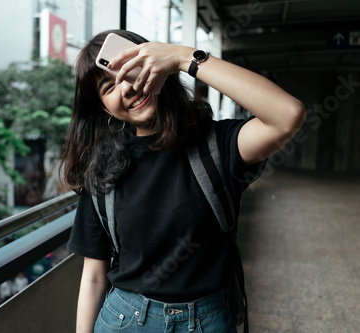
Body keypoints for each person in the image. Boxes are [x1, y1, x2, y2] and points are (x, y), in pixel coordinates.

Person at [60, 30, 305, 333]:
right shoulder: (101, 170)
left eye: (133, 69)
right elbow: (94, 275)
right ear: (104, 107)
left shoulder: (216, 146)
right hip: (123, 321)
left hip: (207, 321)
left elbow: (288, 115)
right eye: (109, 85)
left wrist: (182, 57)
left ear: (157, 67)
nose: (128, 87)